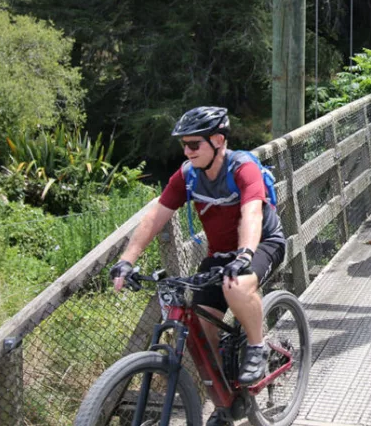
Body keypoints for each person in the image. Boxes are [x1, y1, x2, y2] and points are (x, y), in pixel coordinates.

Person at [107, 106, 286, 426]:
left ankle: (257, 347)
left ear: (218, 140)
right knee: (203, 328)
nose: (187, 151)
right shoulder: (188, 175)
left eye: (193, 145)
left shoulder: (242, 168)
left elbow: (252, 215)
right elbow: (155, 218)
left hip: (262, 243)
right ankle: (224, 405)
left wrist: (245, 253)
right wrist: (126, 261)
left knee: (237, 285)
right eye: (183, 146)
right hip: (219, 255)